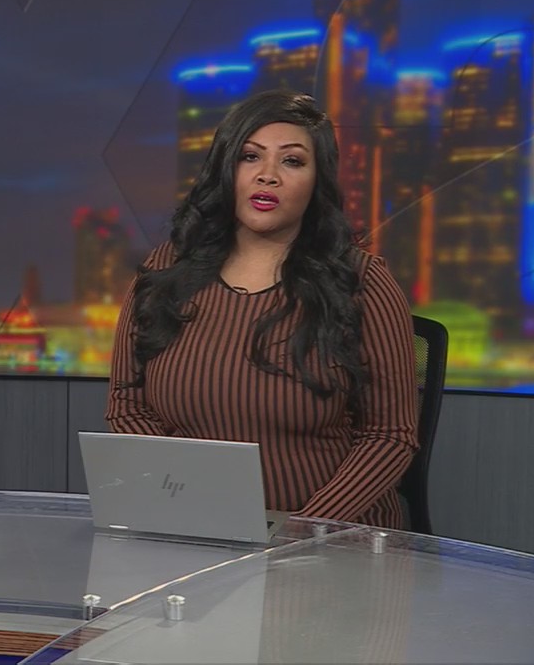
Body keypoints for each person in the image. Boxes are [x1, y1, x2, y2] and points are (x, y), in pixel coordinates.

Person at [106, 89, 417, 528]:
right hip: (195, 533)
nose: (267, 176)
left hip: (328, 539)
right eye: (250, 157)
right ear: (225, 169)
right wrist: (188, 509)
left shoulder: (362, 281)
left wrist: (301, 530)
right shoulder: (165, 271)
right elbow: (128, 406)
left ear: (317, 180)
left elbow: (390, 436)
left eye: (292, 161)